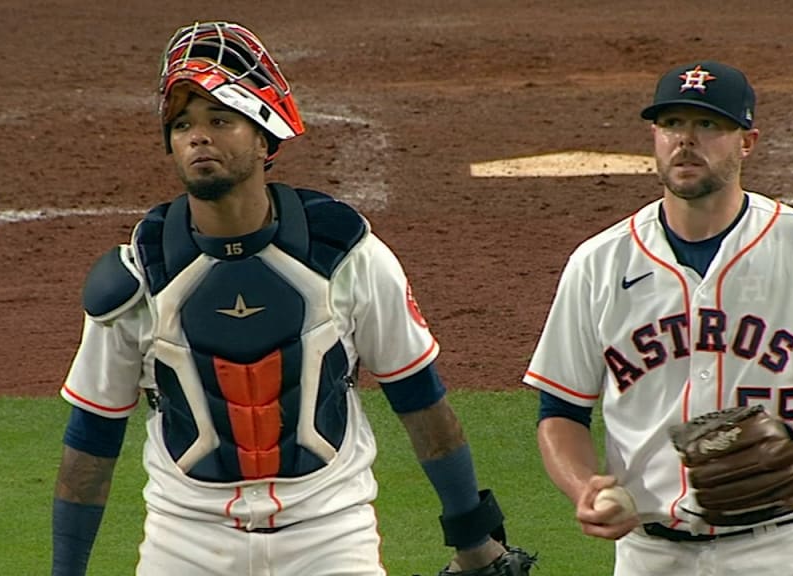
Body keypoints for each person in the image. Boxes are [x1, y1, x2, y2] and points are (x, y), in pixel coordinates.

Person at [52, 21, 535, 576]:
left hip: (331, 534)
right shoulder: (137, 275)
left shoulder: (348, 256)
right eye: (182, 124)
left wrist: (473, 538)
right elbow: (91, 437)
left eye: (220, 119)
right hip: (184, 541)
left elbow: (419, 398)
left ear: (263, 137)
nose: (197, 136)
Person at [523, 60, 793, 575]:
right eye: (672, 124)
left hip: (777, 551)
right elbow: (560, 408)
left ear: (746, 141)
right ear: (654, 136)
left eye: (708, 125)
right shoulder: (599, 262)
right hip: (647, 552)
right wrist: (583, 485)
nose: (686, 141)